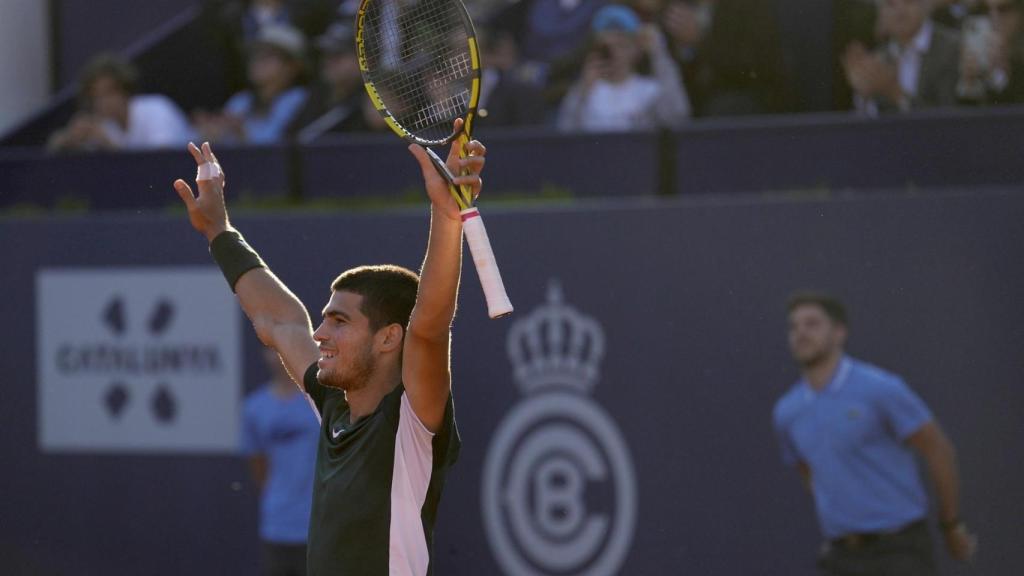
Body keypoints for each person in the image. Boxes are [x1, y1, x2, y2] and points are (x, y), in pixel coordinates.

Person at [172, 120, 483, 574]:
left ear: (388, 338)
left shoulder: (410, 423)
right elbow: (279, 321)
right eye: (324, 319)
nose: (319, 334)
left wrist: (446, 214)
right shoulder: (334, 403)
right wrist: (219, 231)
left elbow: (430, 326)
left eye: (339, 322)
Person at [772, 292, 978, 576]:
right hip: (842, 555)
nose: (801, 333)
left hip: (898, 549)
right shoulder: (787, 411)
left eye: (812, 324)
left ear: (839, 332)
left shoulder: (880, 389)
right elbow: (809, 471)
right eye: (793, 327)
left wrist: (951, 523)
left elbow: (937, 448)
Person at [241, 348, 320, 576]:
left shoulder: (322, 402)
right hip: (277, 527)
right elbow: (258, 466)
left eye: (284, 349)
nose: (279, 356)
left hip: (318, 529)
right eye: (272, 350)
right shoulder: (254, 408)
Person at [556, 4, 690, 132]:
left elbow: (677, 116)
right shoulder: (585, 91)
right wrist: (583, 90)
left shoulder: (648, 90)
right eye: (607, 47)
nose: (615, 53)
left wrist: (659, 55)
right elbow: (565, 134)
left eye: (621, 45)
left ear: (636, 49)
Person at [47, 54, 193, 152]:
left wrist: (108, 144)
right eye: (96, 96)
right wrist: (70, 136)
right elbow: (54, 145)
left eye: (109, 92)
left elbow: (160, 162)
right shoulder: (105, 125)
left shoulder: (157, 109)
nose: (103, 102)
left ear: (126, 90)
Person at [193, 24, 309, 145]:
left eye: (268, 56)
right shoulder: (240, 101)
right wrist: (210, 134)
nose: (257, 61)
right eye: (255, 54)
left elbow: (278, 151)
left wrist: (241, 134)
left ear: (292, 66)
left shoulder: (300, 101)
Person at [843, 0, 961, 114]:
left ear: (925, 5)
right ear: (881, 12)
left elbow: (949, 118)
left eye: (908, 1)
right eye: (890, 3)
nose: (900, 11)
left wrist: (894, 92)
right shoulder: (881, 56)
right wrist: (864, 94)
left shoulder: (953, 48)